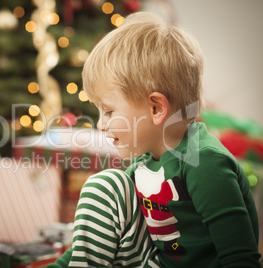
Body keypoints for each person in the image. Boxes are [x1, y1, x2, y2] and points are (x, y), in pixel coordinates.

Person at [49, 11, 260, 267]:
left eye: (109, 111)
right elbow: (92, 239)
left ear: (156, 109)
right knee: (106, 185)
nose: (101, 124)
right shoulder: (145, 160)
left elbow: (240, 257)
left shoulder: (204, 162)